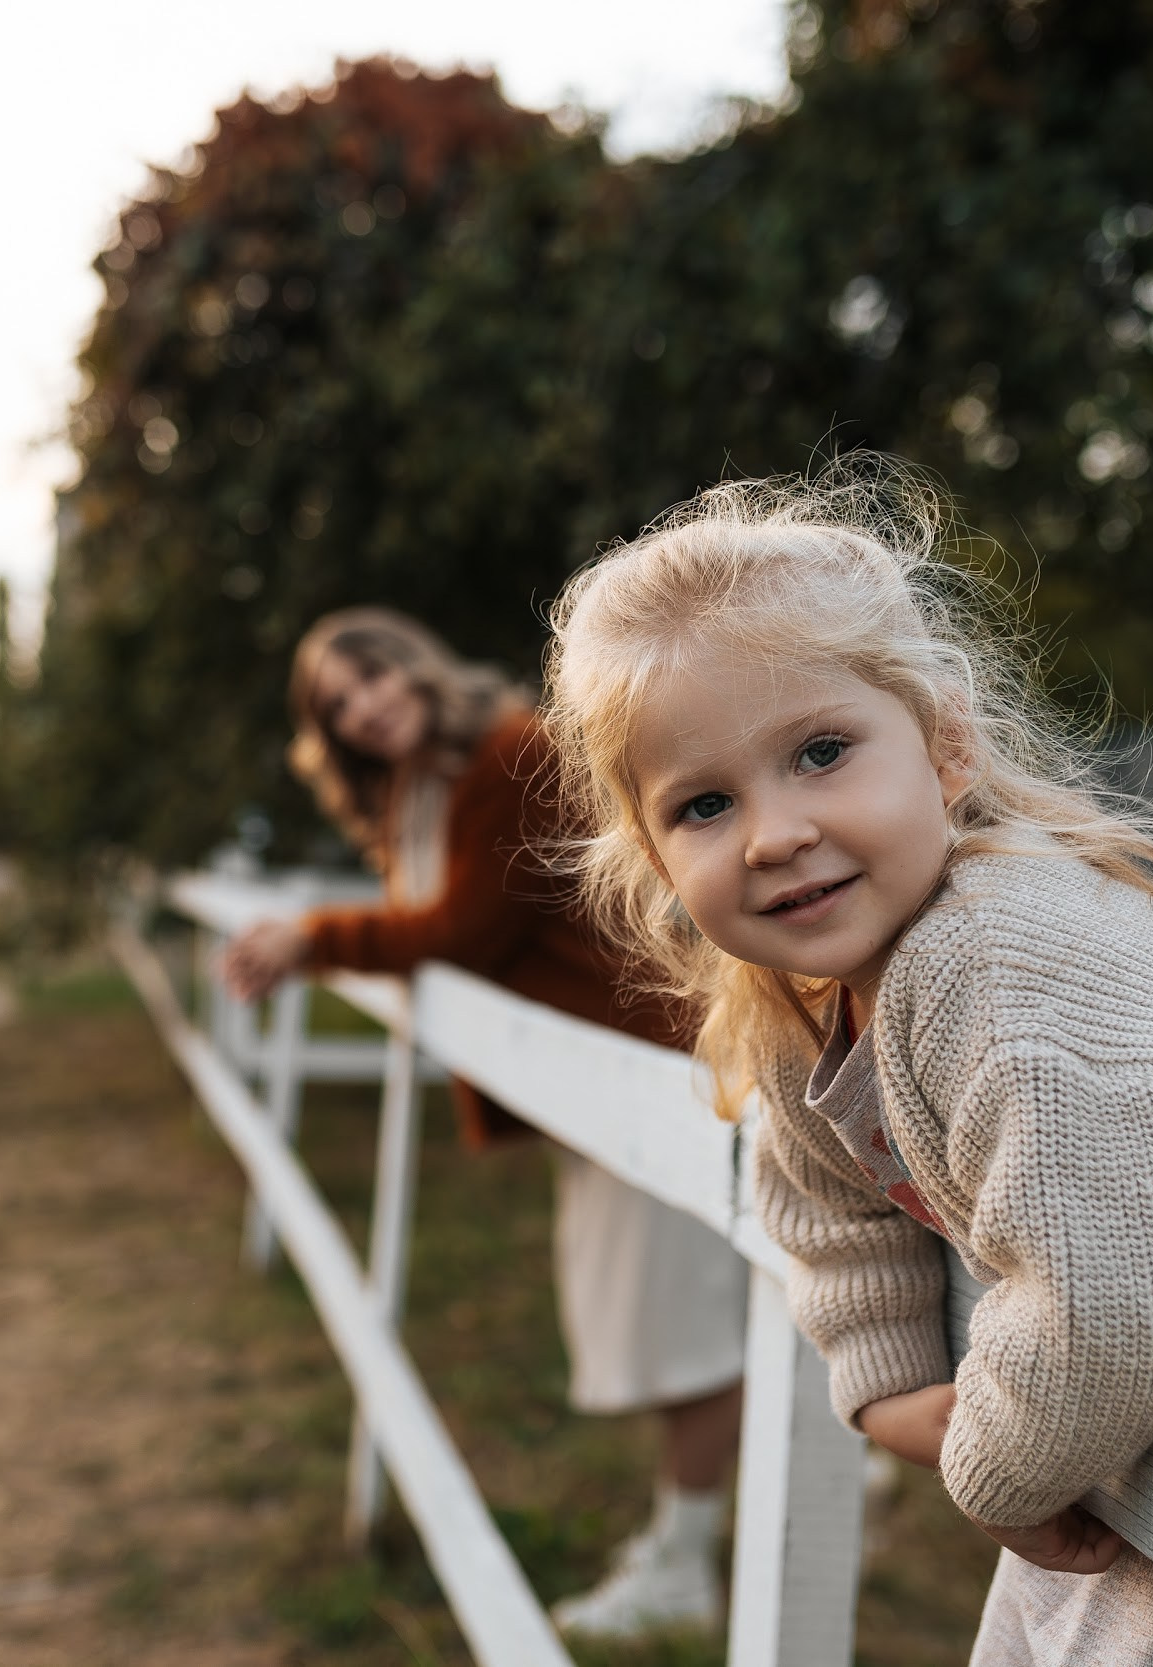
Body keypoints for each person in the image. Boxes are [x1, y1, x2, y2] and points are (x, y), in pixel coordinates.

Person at [538, 465, 1153, 1667]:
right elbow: (831, 1209)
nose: (773, 831)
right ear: (650, 850)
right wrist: (890, 1380)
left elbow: (1123, 1283)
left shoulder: (996, 953)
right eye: (702, 805)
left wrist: (991, 1466)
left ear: (945, 745)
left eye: (822, 750)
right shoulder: (809, 1005)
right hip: (1140, 1456)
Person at [220, 607, 747, 1640]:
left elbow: (463, 926)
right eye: (337, 706)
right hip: (589, 1094)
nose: (365, 706)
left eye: (370, 675)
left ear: (411, 660)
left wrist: (312, 937)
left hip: (640, 1068)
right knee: (649, 1322)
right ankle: (717, 1516)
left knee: (674, 1333)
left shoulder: (507, 750)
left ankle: (687, 1560)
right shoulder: (416, 788)